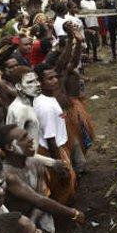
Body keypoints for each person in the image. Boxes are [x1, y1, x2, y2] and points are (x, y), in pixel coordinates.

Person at [0, 124, 84, 233]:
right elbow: (38, 200)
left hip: (40, 221)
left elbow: (42, 196)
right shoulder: (7, 175)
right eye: (24, 138)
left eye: (28, 135)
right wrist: (73, 213)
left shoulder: (35, 163)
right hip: (20, 230)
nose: (31, 139)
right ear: (10, 147)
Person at [32, 64, 76, 205]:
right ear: (40, 82)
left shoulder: (45, 99)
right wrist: (60, 166)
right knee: (62, 188)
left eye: (55, 77)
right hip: (54, 151)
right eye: (49, 78)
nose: (55, 80)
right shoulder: (46, 107)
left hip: (55, 150)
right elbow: (50, 138)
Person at [6, 66, 42, 150]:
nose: (37, 84)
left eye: (36, 80)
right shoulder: (20, 110)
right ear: (18, 86)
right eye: (30, 82)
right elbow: (16, 146)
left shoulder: (29, 105)